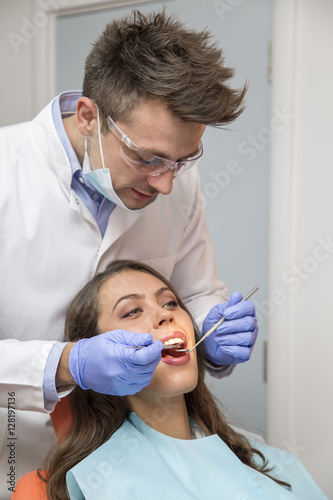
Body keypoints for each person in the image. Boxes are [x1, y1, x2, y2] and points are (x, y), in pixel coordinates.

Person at [0, 9, 258, 496]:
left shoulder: (175, 176)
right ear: (88, 118)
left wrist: (212, 325)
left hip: (129, 462)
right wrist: (67, 363)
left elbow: (198, 289)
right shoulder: (5, 174)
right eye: (147, 158)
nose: (165, 183)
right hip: (12, 446)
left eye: (184, 160)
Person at [12, 260, 327, 499]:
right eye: (132, 311)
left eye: (171, 303)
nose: (166, 315)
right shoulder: (92, 480)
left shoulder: (273, 464)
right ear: (97, 350)